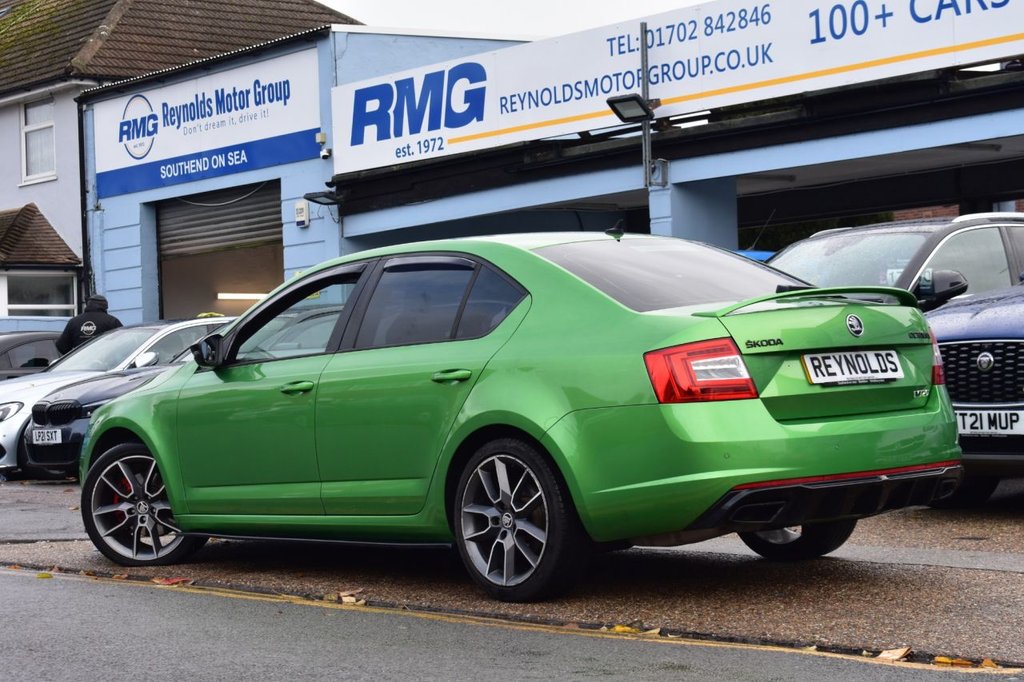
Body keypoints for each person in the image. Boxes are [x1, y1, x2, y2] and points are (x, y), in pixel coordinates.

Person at [55, 294, 123, 354]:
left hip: (80, 363)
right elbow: (124, 343)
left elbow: (61, 346)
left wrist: (73, 357)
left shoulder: (74, 322)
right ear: (105, 306)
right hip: (106, 363)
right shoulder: (112, 321)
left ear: (88, 305)